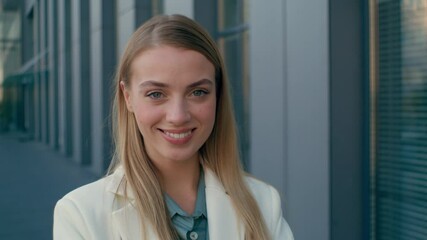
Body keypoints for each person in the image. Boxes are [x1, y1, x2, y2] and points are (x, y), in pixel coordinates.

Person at [53, 14, 294, 240]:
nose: (178, 116)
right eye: (156, 94)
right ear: (127, 97)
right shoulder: (80, 214)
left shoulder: (263, 202)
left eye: (198, 92)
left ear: (217, 96)